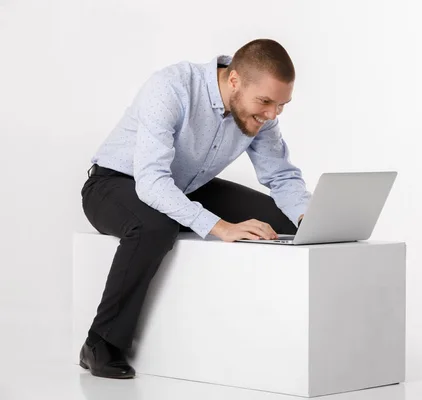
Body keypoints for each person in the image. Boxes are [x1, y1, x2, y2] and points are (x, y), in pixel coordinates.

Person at [78, 38, 311, 379]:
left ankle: (270, 338)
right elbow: (152, 182)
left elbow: (280, 175)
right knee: (154, 227)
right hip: (114, 185)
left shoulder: (262, 113)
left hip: (184, 187)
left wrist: (308, 216)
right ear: (234, 81)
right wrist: (219, 226)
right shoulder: (171, 87)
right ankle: (100, 343)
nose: (272, 114)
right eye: (265, 102)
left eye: (281, 105)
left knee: (279, 221)